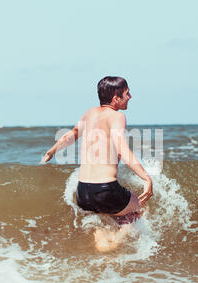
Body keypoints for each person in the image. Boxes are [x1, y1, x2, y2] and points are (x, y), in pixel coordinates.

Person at [41, 76, 153, 219]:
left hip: (83, 193)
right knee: (138, 210)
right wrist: (146, 178)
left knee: (110, 220)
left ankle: (104, 241)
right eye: (127, 93)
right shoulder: (117, 116)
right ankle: (116, 241)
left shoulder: (90, 113)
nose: (130, 97)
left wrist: (51, 151)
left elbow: (72, 134)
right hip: (105, 190)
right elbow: (122, 150)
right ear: (116, 98)